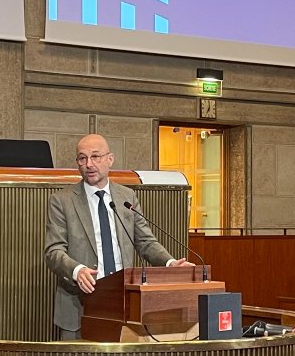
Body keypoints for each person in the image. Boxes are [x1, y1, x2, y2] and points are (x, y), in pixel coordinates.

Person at [43, 134, 192, 340]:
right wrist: (77, 271)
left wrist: (170, 263)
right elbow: (53, 251)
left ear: (110, 159)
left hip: (122, 303)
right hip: (80, 303)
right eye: (82, 158)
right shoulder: (62, 200)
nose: (89, 164)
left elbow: (145, 241)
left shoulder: (126, 197)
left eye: (95, 157)